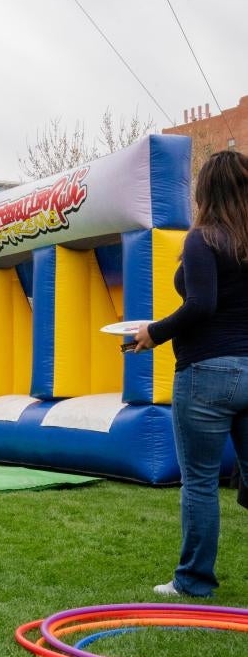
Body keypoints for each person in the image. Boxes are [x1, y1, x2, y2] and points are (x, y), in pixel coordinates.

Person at [134, 149, 248, 598]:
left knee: (200, 482)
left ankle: (193, 581)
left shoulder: (203, 239)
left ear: (204, 192)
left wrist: (152, 333)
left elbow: (202, 304)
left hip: (207, 376)